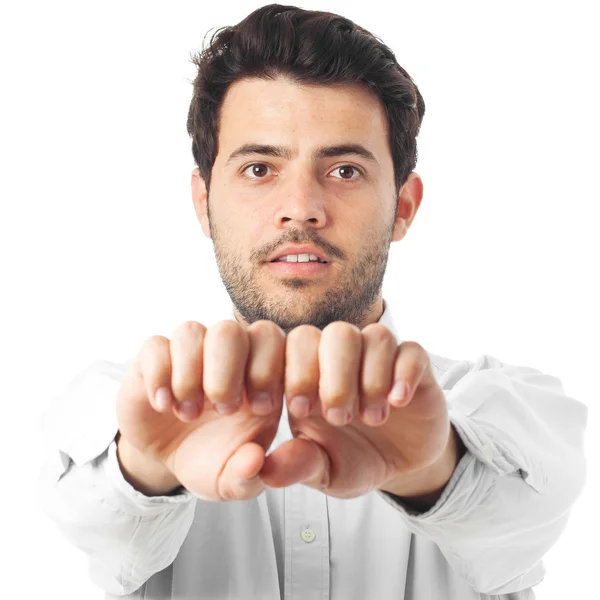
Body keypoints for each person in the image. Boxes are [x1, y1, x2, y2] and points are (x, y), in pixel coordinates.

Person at [37, 4, 588, 600]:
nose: (300, 207)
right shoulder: (128, 403)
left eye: (345, 170)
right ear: (203, 204)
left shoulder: (505, 412)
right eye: (258, 168)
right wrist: (148, 470)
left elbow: (519, 514)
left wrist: (428, 471)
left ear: (402, 206)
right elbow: (97, 520)